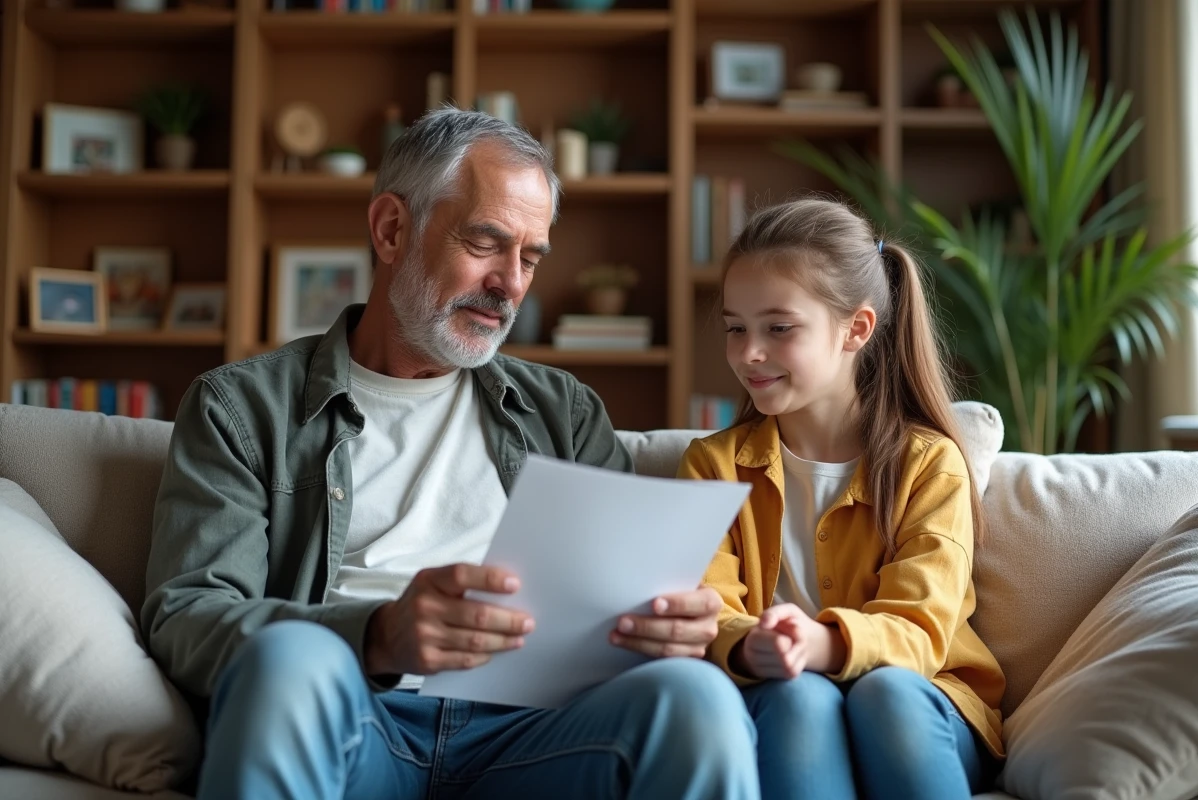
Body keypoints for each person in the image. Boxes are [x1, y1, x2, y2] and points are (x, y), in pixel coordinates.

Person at [142, 108, 759, 800]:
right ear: (391, 229)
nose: (511, 284)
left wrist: (672, 626)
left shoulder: (565, 412)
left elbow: (625, 602)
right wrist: (376, 635)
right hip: (355, 719)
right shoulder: (241, 409)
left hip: (534, 736)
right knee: (287, 659)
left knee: (693, 696)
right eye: (486, 242)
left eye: (530, 257)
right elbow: (187, 617)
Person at [678, 197, 1006, 799]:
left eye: (778, 328)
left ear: (856, 329)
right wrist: (755, 645)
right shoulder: (712, 466)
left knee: (884, 692)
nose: (749, 351)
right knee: (797, 694)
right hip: (783, 699)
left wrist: (821, 641)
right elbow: (706, 608)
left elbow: (920, 630)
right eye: (735, 327)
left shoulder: (929, 464)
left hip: (924, 702)